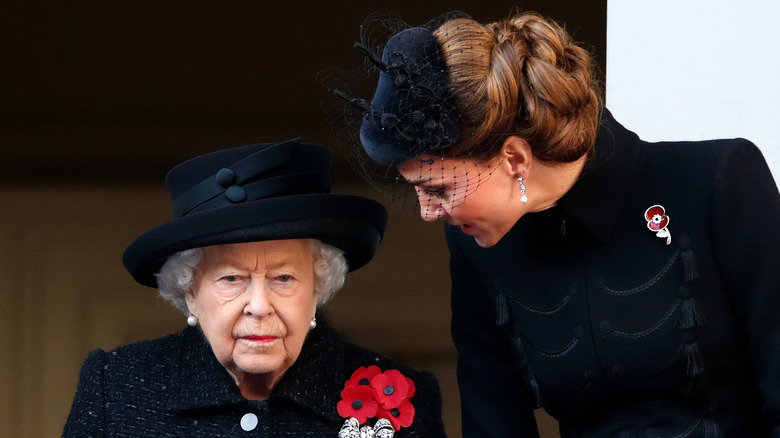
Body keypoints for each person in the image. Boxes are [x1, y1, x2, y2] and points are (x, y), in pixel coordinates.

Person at [330, 10, 780, 438]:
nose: (428, 212)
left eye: (440, 189)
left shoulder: (717, 181)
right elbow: (493, 423)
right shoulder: (477, 248)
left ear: (514, 158)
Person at [62, 138, 446, 437]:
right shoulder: (117, 390)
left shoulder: (403, 400)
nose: (259, 306)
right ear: (189, 291)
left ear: (318, 287)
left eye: (283, 278)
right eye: (232, 278)